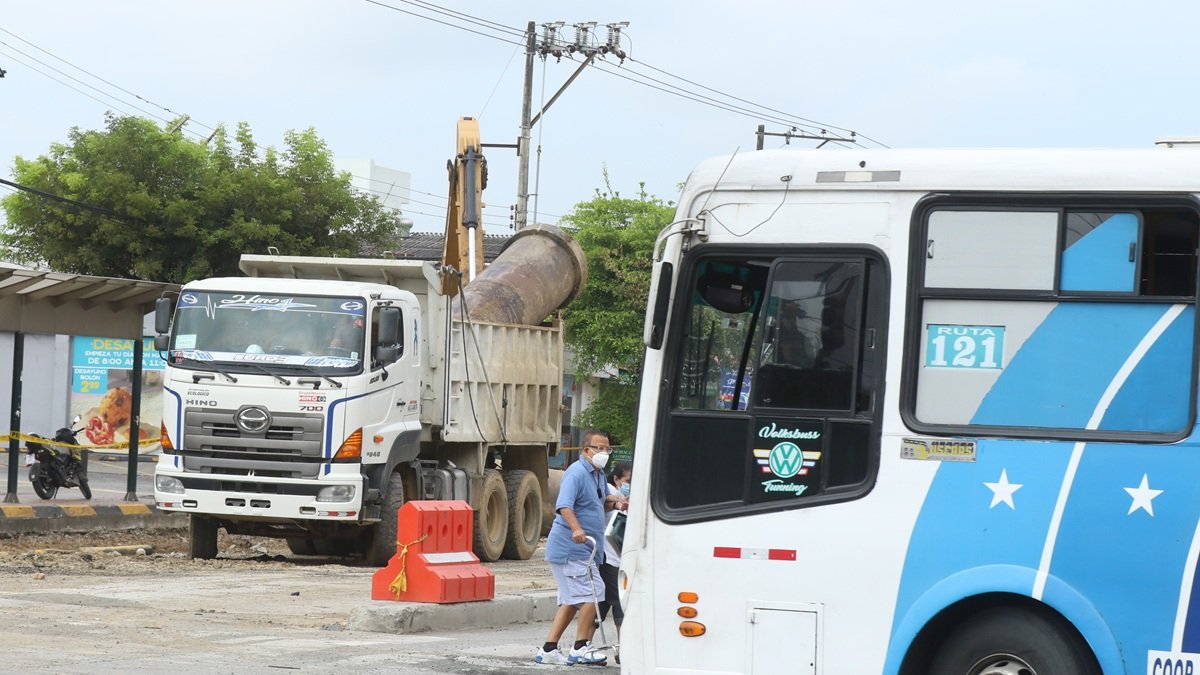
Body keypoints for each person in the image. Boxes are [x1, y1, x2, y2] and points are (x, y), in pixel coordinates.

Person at [534, 430, 627, 666]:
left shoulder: (598, 474)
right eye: (599, 448)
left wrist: (616, 503)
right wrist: (576, 529)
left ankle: (549, 650)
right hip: (571, 549)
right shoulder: (576, 473)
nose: (604, 453)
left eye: (607, 449)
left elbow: (599, 502)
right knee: (593, 592)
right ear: (586, 450)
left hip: (588, 550)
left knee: (571, 600)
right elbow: (564, 505)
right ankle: (580, 647)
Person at [597, 461, 631, 656]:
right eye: (627, 480)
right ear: (617, 479)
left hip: (617, 559)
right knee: (620, 602)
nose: (630, 484)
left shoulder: (624, 497)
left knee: (602, 605)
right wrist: (619, 502)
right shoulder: (610, 492)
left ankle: (582, 643)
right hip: (608, 558)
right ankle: (623, 650)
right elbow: (608, 505)